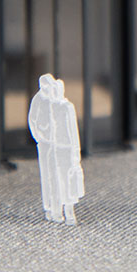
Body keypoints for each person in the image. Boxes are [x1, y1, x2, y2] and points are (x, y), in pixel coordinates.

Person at [28, 73, 84, 225]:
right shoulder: (39, 100)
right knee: (51, 178)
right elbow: (33, 121)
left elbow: (73, 132)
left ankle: (68, 212)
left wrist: (75, 153)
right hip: (48, 146)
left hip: (64, 148)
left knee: (66, 179)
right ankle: (54, 210)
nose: (49, 91)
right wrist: (41, 138)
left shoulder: (66, 107)